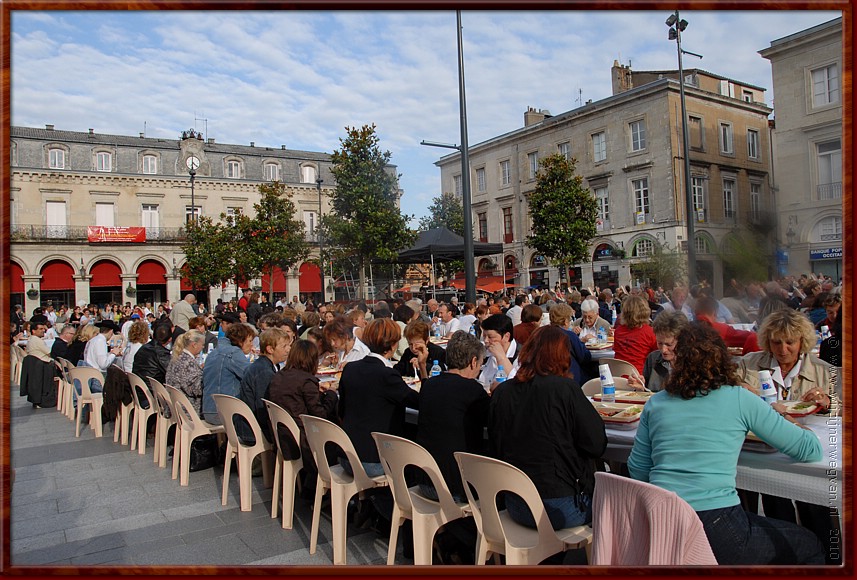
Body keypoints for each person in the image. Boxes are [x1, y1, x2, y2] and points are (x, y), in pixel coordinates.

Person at [627, 322, 824, 565]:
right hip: (716, 524)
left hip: (662, 522)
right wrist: (787, 419)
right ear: (720, 356)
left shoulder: (656, 403)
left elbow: (637, 469)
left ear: (677, 360)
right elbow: (810, 449)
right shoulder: (739, 399)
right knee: (810, 542)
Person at [489, 325, 607, 530]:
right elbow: (596, 444)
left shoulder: (503, 392)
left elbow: (496, 442)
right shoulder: (565, 390)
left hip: (516, 501)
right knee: (613, 499)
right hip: (560, 504)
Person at [338, 318, 419, 477]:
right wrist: (422, 369)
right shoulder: (387, 375)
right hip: (372, 460)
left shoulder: (350, 369)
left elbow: (341, 411)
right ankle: (384, 499)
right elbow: (419, 402)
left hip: (345, 454)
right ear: (394, 345)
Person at [416, 331, 489, 502]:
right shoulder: (473, 391)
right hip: (456, 486)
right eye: (480, 364)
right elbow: (493, 421)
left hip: (424, 480)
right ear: (473, 362)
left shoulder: (430, 385)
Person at [266, 339, 339, 492]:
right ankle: (323, 485)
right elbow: (320, 415)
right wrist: (331, 394)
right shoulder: (306, 381)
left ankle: (310, 485)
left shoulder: (279, 376)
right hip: (302, 439)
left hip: (283, 435)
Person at [238, 328, 292, 442]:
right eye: (284, 346)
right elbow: (264, 408)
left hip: (248, 425)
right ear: (270, 349)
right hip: (253, 430)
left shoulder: (261, 366)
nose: (288, 349)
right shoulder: (264, 372)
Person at [201, 322, 256, 425]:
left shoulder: (215, 352)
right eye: (250, 340)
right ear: (240, 341)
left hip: (209, 409)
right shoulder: (233, 353)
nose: (252, 344)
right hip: (224, 413)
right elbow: (252, 377)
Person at [626, 310, 689, 393]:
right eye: (659, 343)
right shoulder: (653, 359)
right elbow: (648, 394)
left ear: (682, 341)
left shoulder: (693, 363)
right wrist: (641, 388)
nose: (663, 350)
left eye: (669, 345)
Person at [547, 302, 594, 385]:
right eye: (569, 319)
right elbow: (584, 357)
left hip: (548, 376)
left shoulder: (542, 334)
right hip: (570, 378)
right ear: (565, 321)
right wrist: (581, 344)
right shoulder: (569, 336)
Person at [612, 295, 658, 376]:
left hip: (618, 377)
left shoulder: (618, 331)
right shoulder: (650, 332)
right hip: (639, 377)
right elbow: (657, 355)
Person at [165, 330, 205, 415]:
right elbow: (196, 389)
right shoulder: (189, 363)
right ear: (194, 345)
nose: (203, 347)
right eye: (202, 345)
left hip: (173, 404)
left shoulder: (178, 356)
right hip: (186, 410)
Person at [478, 313, 518, 392]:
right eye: (484, 336)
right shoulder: (483, 352)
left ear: (506, 336)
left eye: (490, 337)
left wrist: (501, 357)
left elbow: (519, 385)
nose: (486, 341)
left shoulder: (521, 356)